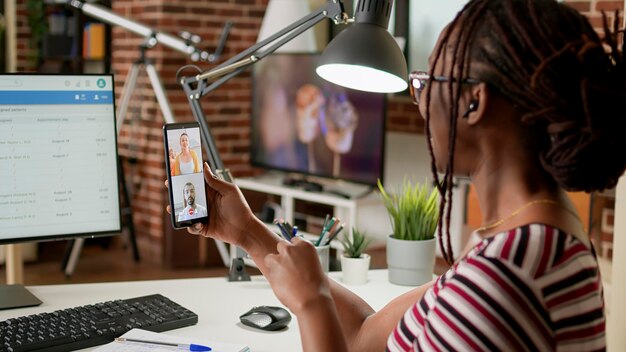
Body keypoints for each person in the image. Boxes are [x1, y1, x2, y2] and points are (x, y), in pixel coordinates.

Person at [169, 0, 626, 350]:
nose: (419, 102)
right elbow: (371, 335)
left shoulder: (504, 276)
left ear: (474, 102)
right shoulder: (529, 241)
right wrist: (249, 233)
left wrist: (311, 304)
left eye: (428, 84)